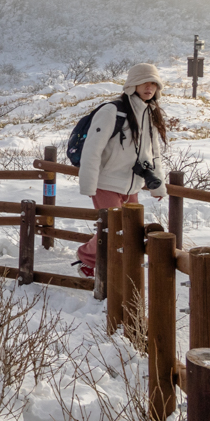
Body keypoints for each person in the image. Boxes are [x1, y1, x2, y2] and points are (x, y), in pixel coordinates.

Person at [76, 63, 169, 277]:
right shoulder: (112, 111)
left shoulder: (149, 114)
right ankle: (87, 260)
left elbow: (154, 153)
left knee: (131, 231)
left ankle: (114, 267)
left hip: (132, 184)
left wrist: (158, 187)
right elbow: (92, 149)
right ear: (132, 84)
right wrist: (89, 184)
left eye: (154, 83)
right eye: (144, 82)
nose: (149, 87)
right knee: (115, 230)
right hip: (106, 182)